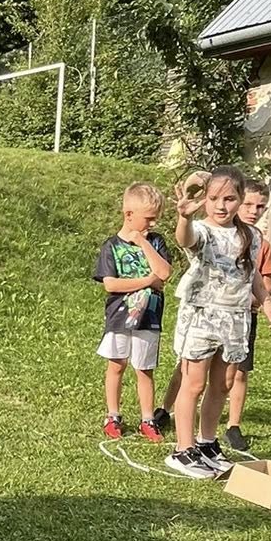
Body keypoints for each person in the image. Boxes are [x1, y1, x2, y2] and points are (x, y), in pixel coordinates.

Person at [164, 167, 271, 482]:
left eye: (229, 198)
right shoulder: (202, 230)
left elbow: (252, 274)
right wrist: (184, 218)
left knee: (223, 384)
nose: (221, 205)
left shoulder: (251, 236)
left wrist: (266, 301)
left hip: (236, 318)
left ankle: (206, 443)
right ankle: (183, 450)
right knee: (194, 383)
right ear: (205, 199)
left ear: (240, 199)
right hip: (202, 315)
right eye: (214, 198)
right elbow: (186, 239)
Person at [93, 182, 172, 441]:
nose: (152, 224)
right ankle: (113, 415)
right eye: (148, 218)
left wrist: (142, 242)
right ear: (129, 214)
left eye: (155, 218)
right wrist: (148, 281)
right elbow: (111, 284)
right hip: (119, 317)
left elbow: (164, 273)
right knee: (117, 365)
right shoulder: (111, 246)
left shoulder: (156, 242)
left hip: (149, 318)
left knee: (144, 369)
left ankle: (147, 419)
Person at [222, 179, 271, 455]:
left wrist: (261, 300)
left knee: (239, 371)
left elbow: (266, 282)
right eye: (249, 204)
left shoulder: (260, 243)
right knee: (192, 368)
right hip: (215, 313)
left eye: (261, 206)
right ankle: (165, 409)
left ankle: (233, 425)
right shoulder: (220, 234)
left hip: (244, 316)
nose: (254, 211)